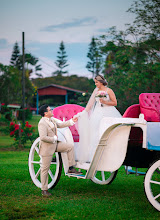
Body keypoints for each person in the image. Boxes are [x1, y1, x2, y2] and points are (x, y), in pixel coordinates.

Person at [74, 74, 122, 163]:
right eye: (95, 82)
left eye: (96, 82)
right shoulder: (96, 91)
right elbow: (90, 105)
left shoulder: (109, 90)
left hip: (109, 112)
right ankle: (95, 156)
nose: (95, 84)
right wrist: (82, 113)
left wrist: (105, 102)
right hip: (98, 113)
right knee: (95, 133)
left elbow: (115, 103)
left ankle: (110, 155)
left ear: (101, 82)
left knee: (109, 132)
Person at [38, 104, 81, 197]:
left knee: (69, 146)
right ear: (45, 113)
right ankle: (44, 190)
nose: (51, 111)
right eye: (50, 110)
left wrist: (71, 121)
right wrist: (54, 138)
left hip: (55, 145)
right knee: (45, 169)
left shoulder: (51, 120)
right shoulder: (42, 123)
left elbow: (61, 125)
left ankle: (70, 168)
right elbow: (43, 137)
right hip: (47, 148)